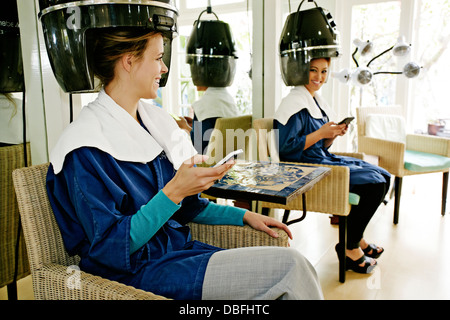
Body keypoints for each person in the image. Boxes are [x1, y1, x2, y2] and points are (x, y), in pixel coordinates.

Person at [45, 28, 323, 300]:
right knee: (292, 269)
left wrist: (243, 216)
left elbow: (188, 207)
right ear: (129, 61)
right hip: (135, 275)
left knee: (294, 268)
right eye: (157, 58)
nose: (164, 68)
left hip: (176, 255)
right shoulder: (84, 148)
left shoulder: (153, 124)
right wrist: (174, 191)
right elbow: (110, 248)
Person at [274, 57, 391, 274]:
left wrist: (332, 135)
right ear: (301, 71)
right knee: (374, 185)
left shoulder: (315, 100)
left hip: (320, 158)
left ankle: (356, 238)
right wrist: (321, 133)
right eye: (313, 70)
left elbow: (320, 143)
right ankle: (350, 248)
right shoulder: (293, 103)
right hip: (305, 169)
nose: (319, 77)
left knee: (384, 175)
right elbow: (285, 148)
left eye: (324, 72)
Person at [190, 86, 240, 154]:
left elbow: (198, 146)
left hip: (209, 160)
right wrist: (193, 125)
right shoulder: (230, 102)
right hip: (232, 156)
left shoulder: (202, 105)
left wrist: (185, 127)